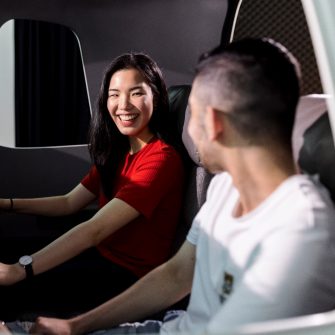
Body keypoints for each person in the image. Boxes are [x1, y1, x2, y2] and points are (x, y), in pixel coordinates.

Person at [4, 37, 335, 335]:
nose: (187, 131)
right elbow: (177, 273)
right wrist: (73, 327)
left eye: (192, 114)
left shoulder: (300, 231)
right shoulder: (225, 189)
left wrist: (23, 274)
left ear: (214, 123)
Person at [0, 52, 185, 321]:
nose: (123, 105)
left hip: (126, 278)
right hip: (100, 256)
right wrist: (7, 204)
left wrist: (19, 270)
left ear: (155, 97)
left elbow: (94, 230)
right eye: (114, 94)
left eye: (136, 93)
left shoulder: (161, 159)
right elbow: (68, 203)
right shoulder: (118, 151)